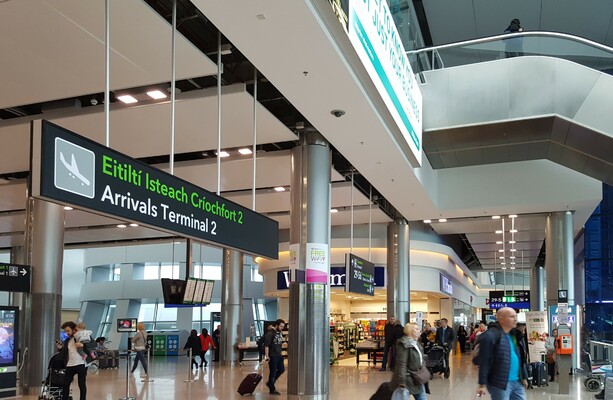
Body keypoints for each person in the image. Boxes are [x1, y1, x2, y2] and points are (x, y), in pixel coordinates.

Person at [476, 307, 528, 400]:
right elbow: (484, 361)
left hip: (517, 381)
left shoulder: (514, 335)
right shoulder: (491, 335)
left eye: (515, 316)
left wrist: (523, 377)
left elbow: (519, 358)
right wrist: (482, 384)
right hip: (500, 383)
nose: (515, 319)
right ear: (501, 318)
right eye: (512, 316)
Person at [390, 322, 428, 400]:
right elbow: (402, 363)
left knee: (422, 397)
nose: (419, 331)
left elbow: (421, 358)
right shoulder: (404, 344)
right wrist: (402, 381)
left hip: (417, 378)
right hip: (407, 379)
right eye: (416, 329)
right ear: (410, 331)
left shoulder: (416, 343)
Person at [58, 321, 87, 400]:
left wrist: (83, 345)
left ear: (73, 329)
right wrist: (60, 349)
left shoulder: (80, 337)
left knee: (81, 384)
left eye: (68, 330)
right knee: (65, 384)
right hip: (70, 365)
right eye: (65, 331)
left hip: (80, 364)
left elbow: (92, 344)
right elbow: (65, 353)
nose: (66, 333)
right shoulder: (67, 341)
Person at [264, 319, 285, 395]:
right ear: (276, 325)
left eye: (283, 326)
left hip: (279, 355)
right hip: (272, 356)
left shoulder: (279, 333)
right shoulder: (270, 334)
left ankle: (270, 383)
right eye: (281, 326)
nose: (282, 328)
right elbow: (266, 345)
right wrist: (267, 356)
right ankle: (272, 389)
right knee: (273, 372)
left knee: (282, 369)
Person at [515, 323, 531, 389]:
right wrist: (524, 378)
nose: (523, 332)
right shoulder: (514, 341)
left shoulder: (521, 338)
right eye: (522, 330)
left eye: (524, 330)